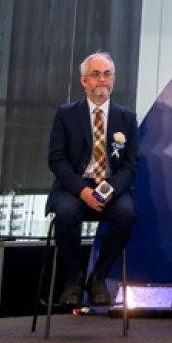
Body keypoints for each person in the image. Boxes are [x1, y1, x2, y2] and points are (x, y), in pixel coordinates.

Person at [47, 52, 139, 306]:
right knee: (66, 213)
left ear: (113, 79)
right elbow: (56, 159)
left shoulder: (127, 118)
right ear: (84, 80)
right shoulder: (66, 114)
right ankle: (73, 280)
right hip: (75, 186)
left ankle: (98, 277)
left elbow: (131, 164)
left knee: (126, 214)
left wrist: (110, 190)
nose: (102, 80)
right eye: (96, 74)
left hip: (111, 186)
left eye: (107, 74)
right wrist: (83, 191)